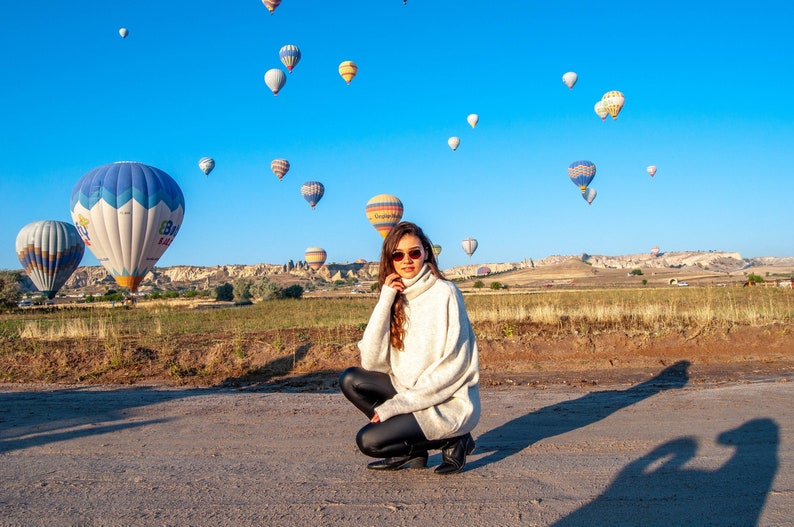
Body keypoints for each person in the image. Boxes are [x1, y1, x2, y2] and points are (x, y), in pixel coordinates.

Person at [339, 222, 481, 475]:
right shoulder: (396, 296)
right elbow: (371, 362)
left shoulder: (445, 293)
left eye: (414, 252)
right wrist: (385, 298)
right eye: (398, 254)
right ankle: (412, 450)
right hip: (409, 391)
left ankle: (455, 439)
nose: (407, 260)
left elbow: (453, 366)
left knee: (369, 441)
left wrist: (396, 406)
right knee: (350, 378)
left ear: (426, 252)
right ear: (390, 259)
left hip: (445, 399)